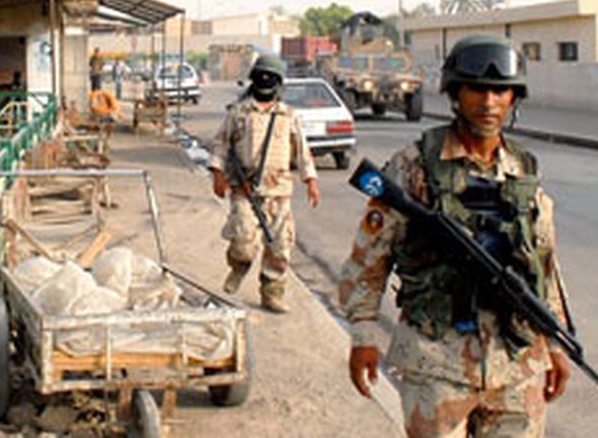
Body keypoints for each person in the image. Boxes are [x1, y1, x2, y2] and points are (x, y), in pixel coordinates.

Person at [339, 34, 571, 437]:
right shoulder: (413, 167)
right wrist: (363, 335)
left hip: (518, 363)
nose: (489, 102)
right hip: (436, 364)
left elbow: (544, 263)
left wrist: (555, 343)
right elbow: (368, 261)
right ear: (455, 93)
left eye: (501, 91)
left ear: (514, 97)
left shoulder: (523, 169)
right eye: (476, 89)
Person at [208, 55, 321, 313]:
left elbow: (302, 151)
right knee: (244, 242)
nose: (266, 80)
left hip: (279, 191)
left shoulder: (288, 115)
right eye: (262, 75)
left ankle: (272, 294)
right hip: (244, 190)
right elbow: (221, 144)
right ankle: (238, 266)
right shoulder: (239, 113)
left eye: (271, 76)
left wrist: (311, 180)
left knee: (279, 246)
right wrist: (218, 174)